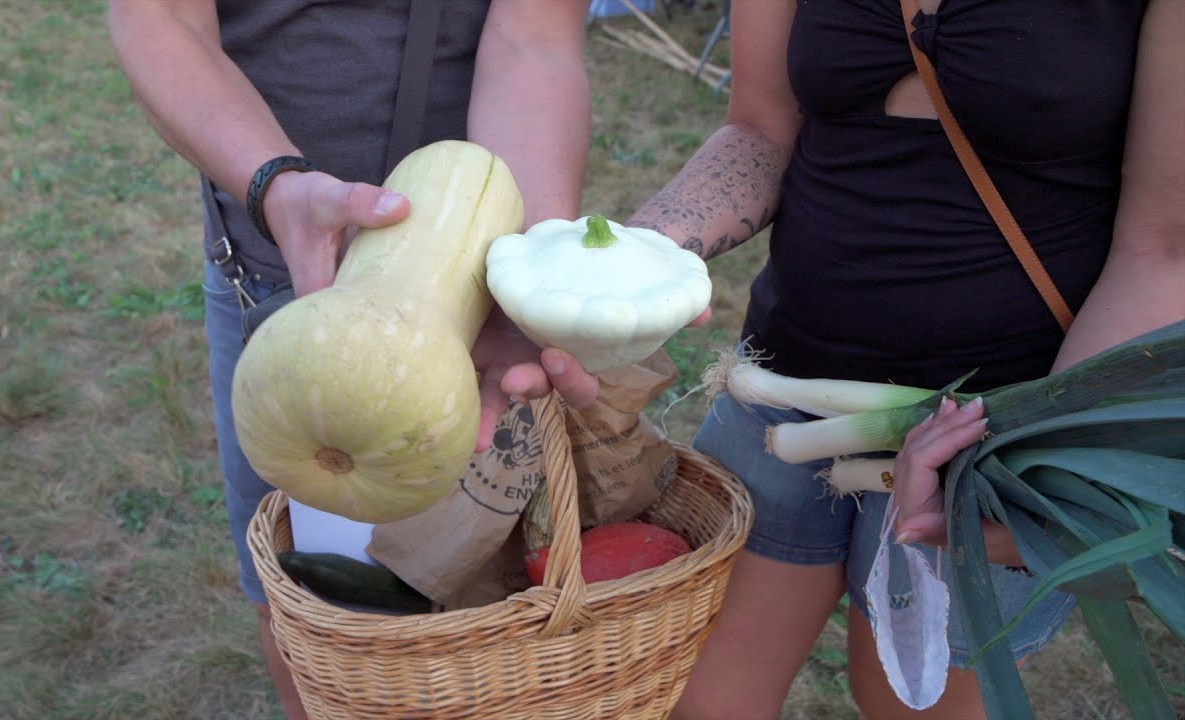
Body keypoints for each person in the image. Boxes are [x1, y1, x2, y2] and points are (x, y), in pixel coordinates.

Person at [616, 1, 1184, 718]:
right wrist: (629, 258)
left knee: (908, 704)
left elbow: (1164, 247)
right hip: (782, 385)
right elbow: (758, 130)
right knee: (703, 700)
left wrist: (1035, 464)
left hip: (993, 441)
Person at [106, 2, 597, 717]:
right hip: (284, 268)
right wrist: (275, 183)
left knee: (487, 616)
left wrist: (524, 276)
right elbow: (162, 19)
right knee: (310, 612)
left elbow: (533, 38)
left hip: (479, 287)